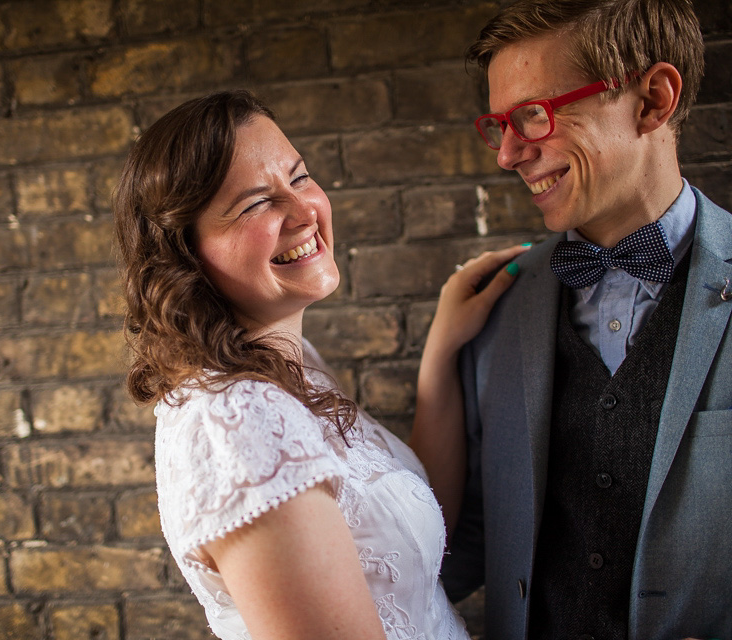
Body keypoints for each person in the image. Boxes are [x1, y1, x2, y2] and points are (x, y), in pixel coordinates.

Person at [112, 90, 527, 639]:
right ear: (186, 255)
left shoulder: (288, 366)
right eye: (256, 203)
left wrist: (441, 350)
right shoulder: (237, 420)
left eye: (300, 177)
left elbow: (402, 531)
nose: (305, 210)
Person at [441, 1, 732, 639]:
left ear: (652, 100)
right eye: (501, 124)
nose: (508, 154)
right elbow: (473, 538)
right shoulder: (495, 305)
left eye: (534, 115)